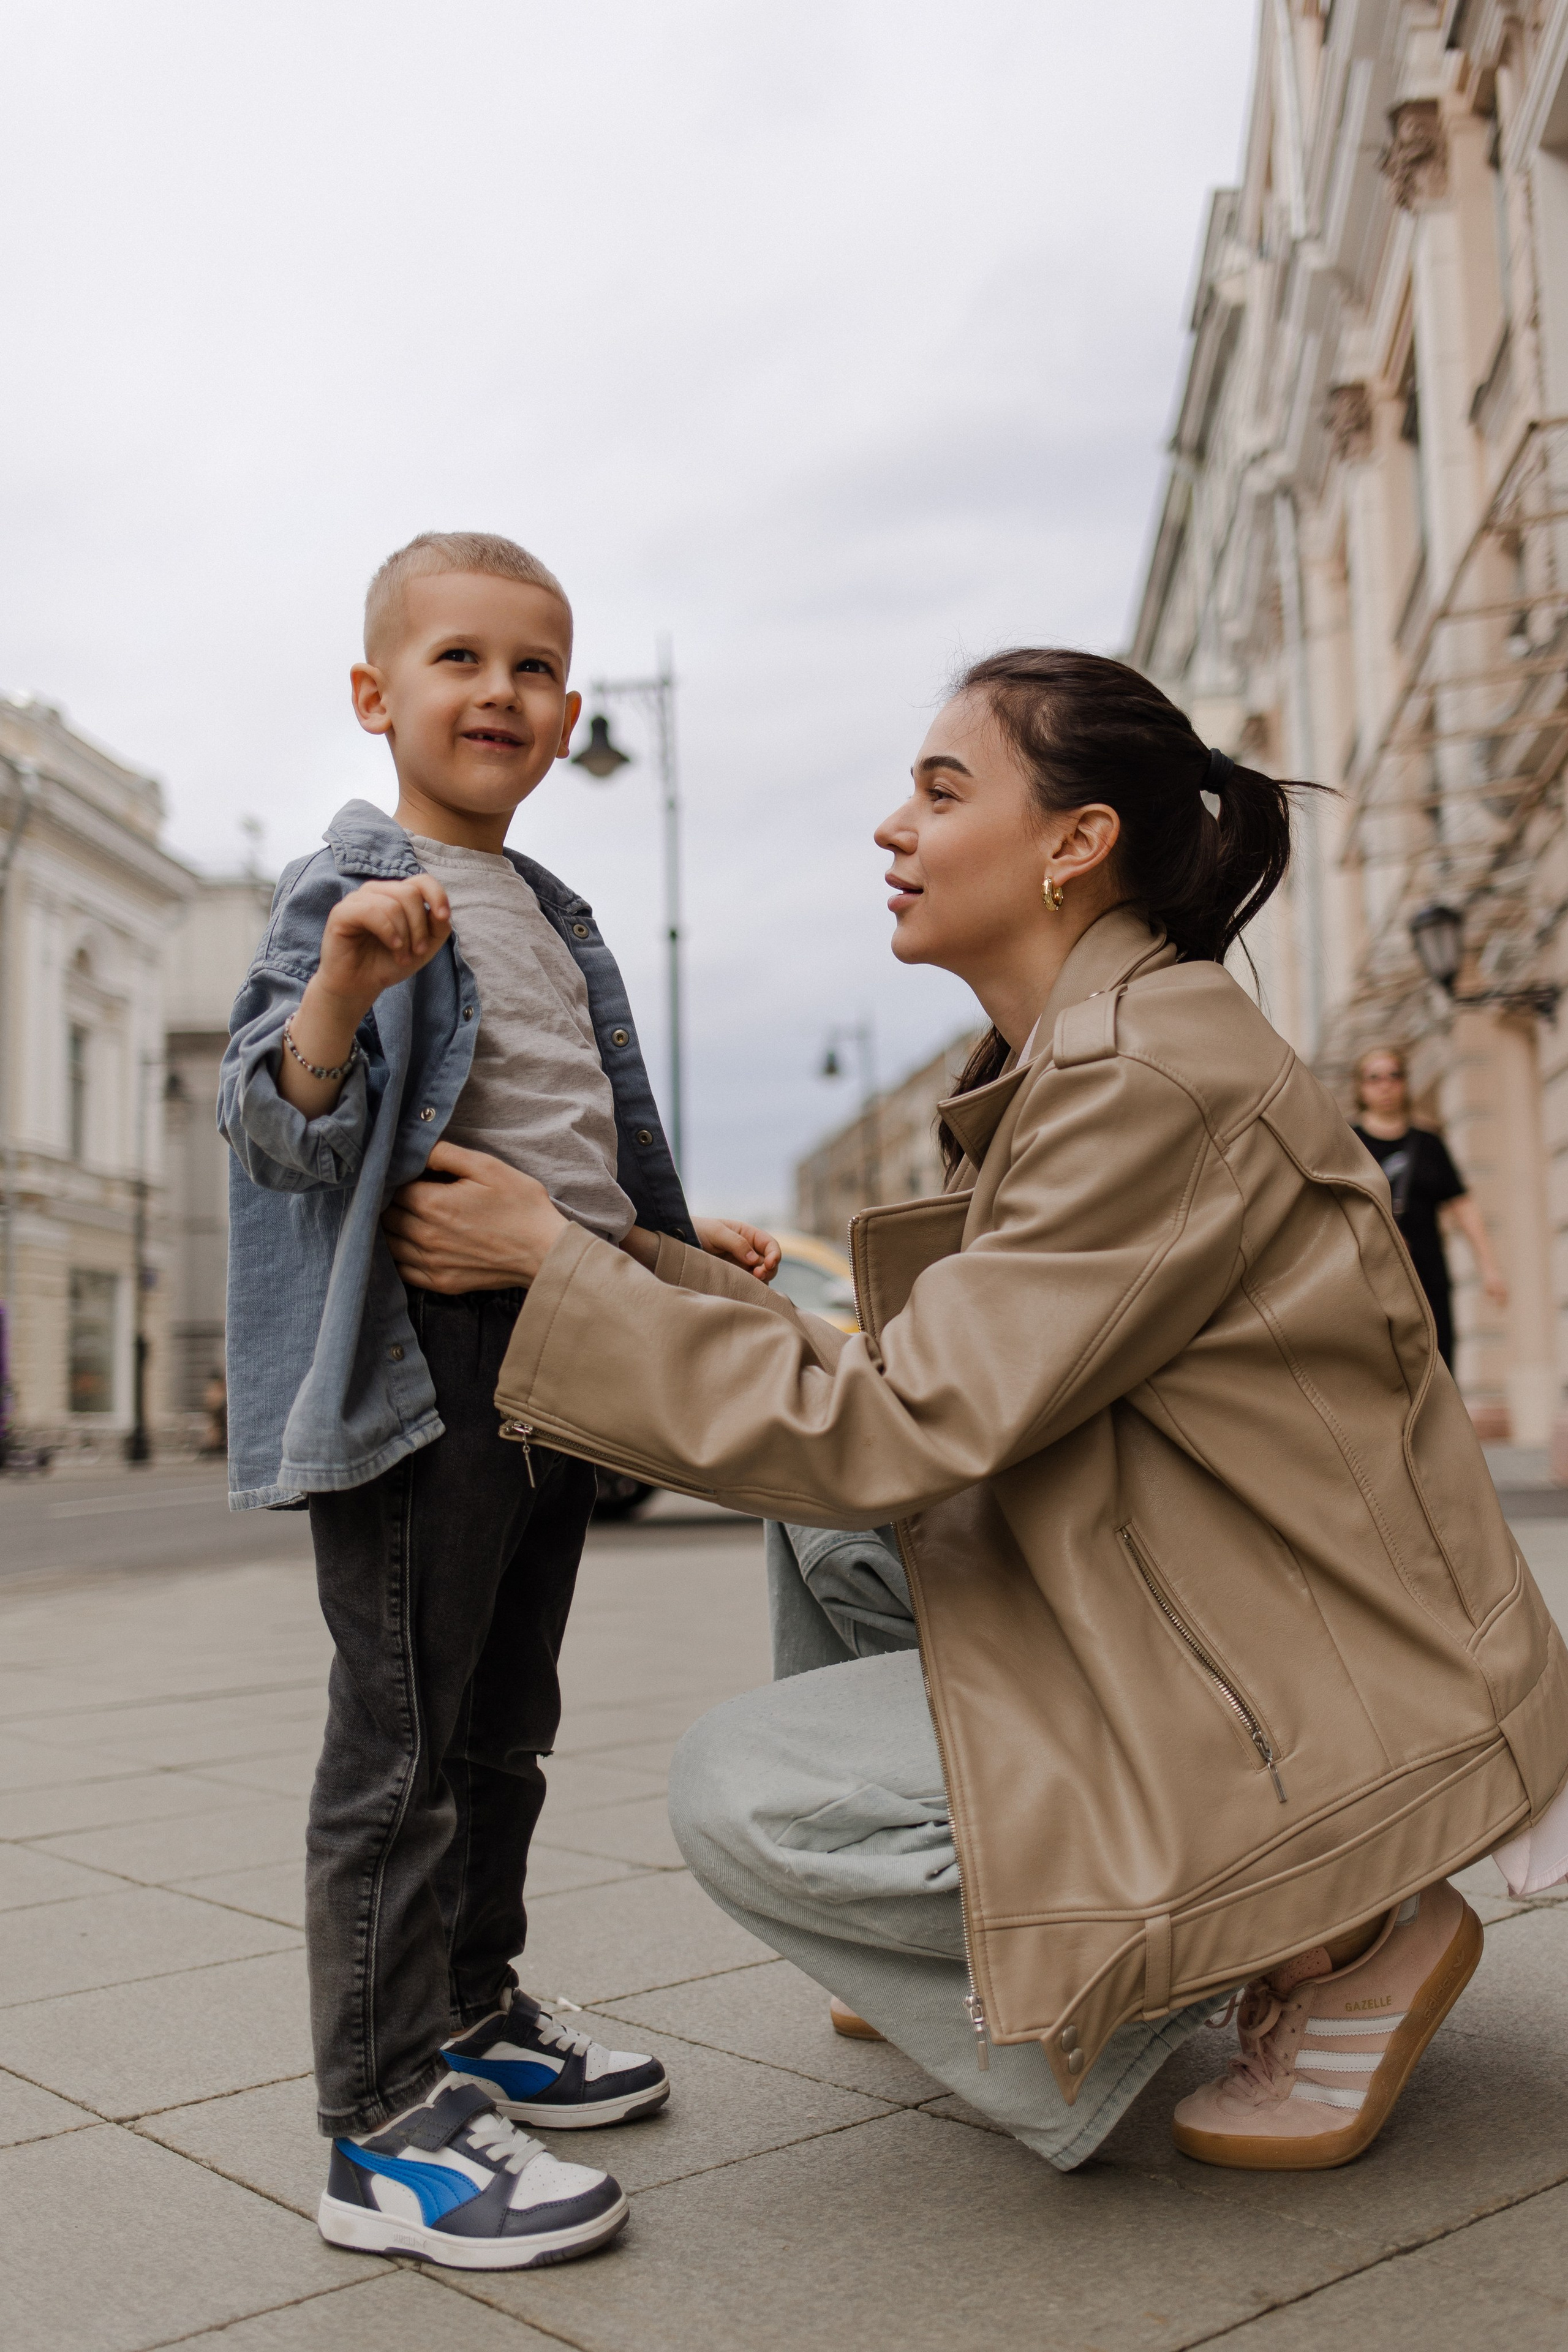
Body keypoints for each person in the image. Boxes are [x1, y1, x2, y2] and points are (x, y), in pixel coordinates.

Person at [379, 647, 1568, 2179]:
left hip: (1325, 1693)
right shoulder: (1077, 1049)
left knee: (746, 1794)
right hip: (1231, 1614)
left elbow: (885, 1427)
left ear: (1074, 842)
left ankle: (1335, 1935)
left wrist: (556, 1271)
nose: (894, 827)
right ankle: (1051, 1910)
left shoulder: (1144, 1075)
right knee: (827, 1532)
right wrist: (614, 1256)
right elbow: (905, 1392)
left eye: (942, 793)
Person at [219, 532, 779, 2272]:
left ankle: (470, 2011)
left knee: (503, 1718)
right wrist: (343, 984)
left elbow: (571, 1132)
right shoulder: (352, 890)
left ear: (567, 709)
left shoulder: (548, 905)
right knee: (401, 1743)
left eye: (534, 668)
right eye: (458, 658)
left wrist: (669, 1242)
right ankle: (380, 2125)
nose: (501, 691)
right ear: (375, 695)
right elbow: (276, 1124)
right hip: (426, 1357)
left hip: (560, 1336)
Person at [1352, 1046, 1507, 1369]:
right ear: (1361, 1088)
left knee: (1439, 1362)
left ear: (1405, 1083)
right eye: (1375, 1078)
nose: (1385, 1085)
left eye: (1394, 1076)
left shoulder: (1428, 1142)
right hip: (1370, 1275)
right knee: (1381, 1366)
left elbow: (1462, 1205)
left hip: (1428, 1274)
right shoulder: (1349, 1142)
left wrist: (1489, 1268)